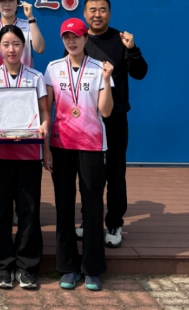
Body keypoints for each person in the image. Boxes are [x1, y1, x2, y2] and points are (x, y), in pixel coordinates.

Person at [43, 18, 114, 292]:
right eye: (67, 37)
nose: (71, 41)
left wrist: (106, 80)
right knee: (64, 205)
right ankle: (68, 267)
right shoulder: (53, 68)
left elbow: (105, 111)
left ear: (86, 39)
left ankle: (92, 269)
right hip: (61, 145)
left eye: (77, 36)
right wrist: (46, 147)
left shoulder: (99, 69)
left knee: (93, 206)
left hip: (92, 146)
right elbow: (47, 110)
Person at [0, 24, 49, 290]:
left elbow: (44, 112)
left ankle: (27, 265)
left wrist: (44, 126)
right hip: (0, 153)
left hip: (29, 153)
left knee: (29, 210)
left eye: (16, 44)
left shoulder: (35, 77)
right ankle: (4, 265)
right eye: (6, 44)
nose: (11, 49)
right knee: (0, 212)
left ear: (24, 46)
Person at [77, 0, 148, 248]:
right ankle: (89, 219)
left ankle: (115, 222)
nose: (97, 14)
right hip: (88, 119)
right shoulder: (77, 40)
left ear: (109, 12)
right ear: (85, 13)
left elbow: (140, 73)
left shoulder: (121, 40)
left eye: (102, 9)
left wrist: (133, 49)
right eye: (92, 10)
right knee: (88, 174)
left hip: (115, 118)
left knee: (116, 173)